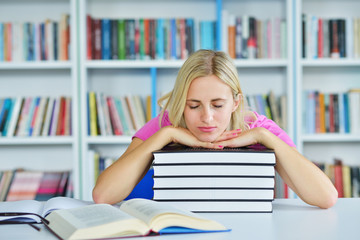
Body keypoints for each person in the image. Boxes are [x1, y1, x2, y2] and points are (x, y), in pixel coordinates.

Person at [92, 49, 338, 209]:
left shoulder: (259, 128)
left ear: (236, 103)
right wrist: (166, 135)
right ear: (181, 104)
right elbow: (103, 195)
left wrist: (263, 137)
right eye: (194, 105)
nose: (206, 118)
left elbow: (326, 197)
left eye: (218, 105)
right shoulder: (165, 124)